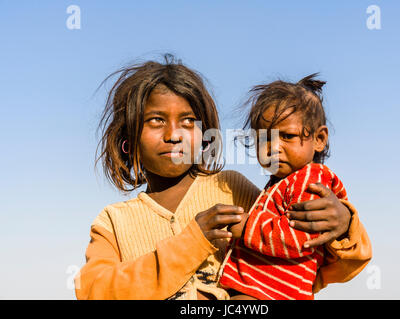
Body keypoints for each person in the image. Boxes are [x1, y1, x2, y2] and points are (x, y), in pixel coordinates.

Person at [75, 56, 372, 300]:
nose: (173, 135)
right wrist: (193, 242)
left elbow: (306, 269)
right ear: (128, 138)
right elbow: (94, 292)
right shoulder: (113, 222)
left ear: (205, 137)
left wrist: (345, 226)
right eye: (156, 120)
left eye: (188, 121)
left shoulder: (232, 189)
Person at [218, 74, 363, 300]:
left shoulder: (310, 180)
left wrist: (247, 227)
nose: (273, 147)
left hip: (272, 294)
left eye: (287, 136)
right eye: (264, 138)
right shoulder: (284, 182)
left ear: (319, 139)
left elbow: (298, 238)